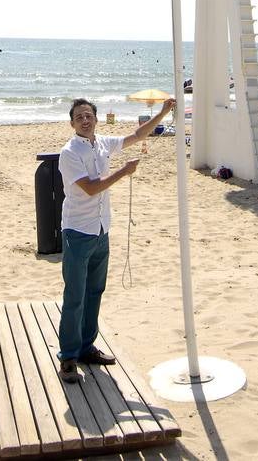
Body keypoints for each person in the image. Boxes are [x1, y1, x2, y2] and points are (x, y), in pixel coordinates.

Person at [58, 96, 175, 384]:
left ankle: (86, 347)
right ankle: (69, 357)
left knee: (95, 291)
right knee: (75, 296)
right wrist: (123, 172)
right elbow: (89, 188)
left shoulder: (102, 143)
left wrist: (162, 113)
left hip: (100, 229)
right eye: (79, 117)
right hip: (77, 231)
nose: (85, 120)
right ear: (72, 123)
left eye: (89, 115)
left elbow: (136, 136)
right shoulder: (69, 152)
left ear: (96, 119)